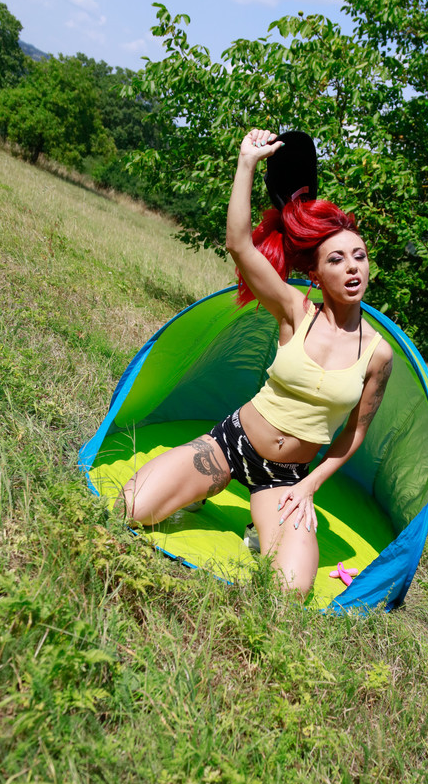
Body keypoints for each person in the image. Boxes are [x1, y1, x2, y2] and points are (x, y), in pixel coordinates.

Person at [116, 126, 394, 596]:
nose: (352, 267)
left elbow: (354, 434)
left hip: (284, 478)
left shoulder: (378, 354)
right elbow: (239, 245)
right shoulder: (295, 311)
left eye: (360, 256)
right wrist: (247, 162)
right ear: (315, 273)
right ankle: (200, 487)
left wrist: (308, 487)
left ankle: (257, 523)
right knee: (130, 507)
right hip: (232, 444)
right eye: (337, 260)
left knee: (290, 591)